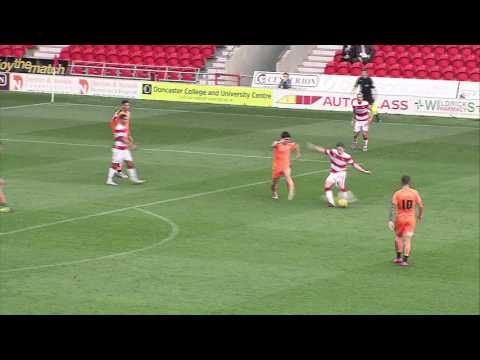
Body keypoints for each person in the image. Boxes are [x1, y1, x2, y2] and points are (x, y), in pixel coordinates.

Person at [307, 142, 371, 207]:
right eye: (338, 149)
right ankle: (331, 203)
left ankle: (345, 201)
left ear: (344, 149)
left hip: (341, 173)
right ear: (337, 149)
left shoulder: (347, 156)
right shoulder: (333, 152)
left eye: (341, 149)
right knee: (327, 186)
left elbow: (354, 165)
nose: (340, 150)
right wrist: (314, 147)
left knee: (342, 187)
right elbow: (322, 150)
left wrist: (364, 171)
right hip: (333, 173)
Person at [388, 175, 424, 267]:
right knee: (408, 239)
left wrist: (390, 220)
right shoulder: (414, 193)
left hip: (400, 218)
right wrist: (420, 215)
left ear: (401, 182)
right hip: (410, 219)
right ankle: (405, 260)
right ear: (409, 182)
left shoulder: (397, 193)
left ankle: (398, 258)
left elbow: (392, 207)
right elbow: (421, 206)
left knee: (398, 237)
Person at [106, 114, 145, 186]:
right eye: (125, 119)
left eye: (126, 119)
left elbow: (124, 137)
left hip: (124, 149)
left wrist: (129, 137)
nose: (126, 120)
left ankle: (134, 179)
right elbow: (121, 139)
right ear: (121, 120)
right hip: (118, 150)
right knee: (115, 165)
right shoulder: (119, 127)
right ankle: (109, 180)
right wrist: (131, 145)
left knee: (130, 163)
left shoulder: (123, 126)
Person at [271, 131, 301, 200]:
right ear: (282, 138)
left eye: (289, 139)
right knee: (274, 183)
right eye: (286, 139)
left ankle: (291, 191)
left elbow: (296, 145)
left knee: (288, 177)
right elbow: (272, 145)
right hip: (277, 167)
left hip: (286, 166)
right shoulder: (278, 144)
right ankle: (274, 192)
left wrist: (298, 154)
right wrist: (279, 142)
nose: (288, 141)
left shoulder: (289, 144)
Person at [110, 100, 133, 179]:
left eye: (128, 105)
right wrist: (116, 134)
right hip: (120, 135)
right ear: (122, 106)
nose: (127, 107)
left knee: (122, 155)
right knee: (121, 154)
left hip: (125, 134)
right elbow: (113, 123)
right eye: (125, 105)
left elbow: (127, 125)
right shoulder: (120, 114)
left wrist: (129, 135)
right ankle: (117, 172)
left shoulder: (128, 113)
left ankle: (117, 171)